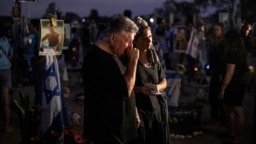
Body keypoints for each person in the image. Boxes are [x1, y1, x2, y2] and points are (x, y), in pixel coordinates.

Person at [81, 16, 140, 144]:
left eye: (132, 42)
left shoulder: (117, 53)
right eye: (127, 41)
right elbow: (125, 89)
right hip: (107, 132)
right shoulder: (96, 59)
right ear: (113, 38)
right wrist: (133, 62)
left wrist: (133, 110)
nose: (130, 47)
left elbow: (126, 80)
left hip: (122, 129)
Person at [133, 17, 170, 144]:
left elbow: (164, 81)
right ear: (135, 41)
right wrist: (140, 89)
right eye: (144, 38)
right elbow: (125, 87)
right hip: (141, 111)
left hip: (157, 110)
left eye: (150, 37)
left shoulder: (154, 59)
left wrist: (157, 87)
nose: (149, 40)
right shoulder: (132, 61)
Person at [219, 29, 247, 144]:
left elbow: (229, 73)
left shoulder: (232, 54)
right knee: (230, 108)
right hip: (239, 83)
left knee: (236, 109)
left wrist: (223, 88)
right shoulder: (241, 52)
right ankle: (233, 133)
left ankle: (237, 136)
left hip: (233, 84)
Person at [206, 22, 226, 125]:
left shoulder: (223, 44)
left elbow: (222, 60)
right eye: (214, 30)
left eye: (217, 30)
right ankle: (215, 116)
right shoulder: (211, 42)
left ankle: (221, 118)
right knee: (213, 95)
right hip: (214, 71)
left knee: (219, 95)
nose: (215, 32)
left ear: (221, 31)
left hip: (220, 72)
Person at [0, 25, 14, 133]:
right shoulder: (5, 40)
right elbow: (10, 55)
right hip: (5, 71)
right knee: (5, 100)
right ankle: (7, 127)